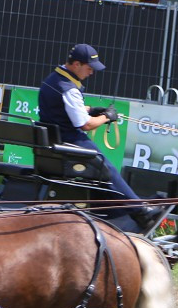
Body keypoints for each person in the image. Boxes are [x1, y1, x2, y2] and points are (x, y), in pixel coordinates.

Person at [37, 43, 158, 230]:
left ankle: (121, 210)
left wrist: (93, 110)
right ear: (76, 64)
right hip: (70, 140)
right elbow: (85, 124)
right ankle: (140, 212)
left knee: (102, 173)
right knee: (107, 169)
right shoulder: (69, 88)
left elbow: (67, 108)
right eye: (89, 68)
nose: (91, 72)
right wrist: (106, 117)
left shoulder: (54, 79)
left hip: (56, 138)